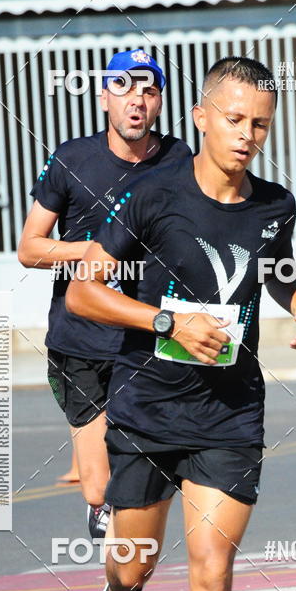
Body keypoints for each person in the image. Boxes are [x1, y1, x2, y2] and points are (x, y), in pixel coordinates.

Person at [66, 56, 296, 591]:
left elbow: (274, 266)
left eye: (262, 125)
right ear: (203, 118)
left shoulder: (275, 203)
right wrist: (164, 318)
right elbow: (86, 293)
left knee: (212, 572)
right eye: (237, 120)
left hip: (230, 413)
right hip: (148, 411)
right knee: (134, 564)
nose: (249, 137)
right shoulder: (150, 197)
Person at [18, 50, 191, 538]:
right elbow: (30, 249)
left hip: (148, 336)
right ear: (103, 99)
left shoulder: (180, 160)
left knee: (146, 477)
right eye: (124, 87)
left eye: (149, 90)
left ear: (158, 103)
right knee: (100, 489)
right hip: (81, 344)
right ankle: (116, 561)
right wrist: (96, 252)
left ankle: (128, 578)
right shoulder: (72, 159)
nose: (136, 98)